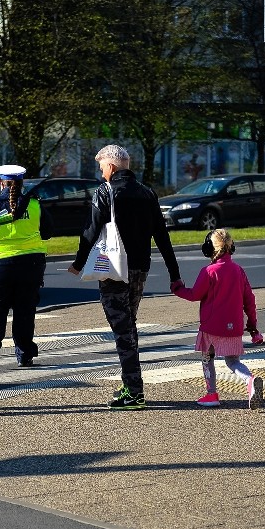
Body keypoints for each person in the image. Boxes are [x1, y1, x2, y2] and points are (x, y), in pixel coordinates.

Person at [68, 144, 182, 410]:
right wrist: (174, 273)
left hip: (113, 269)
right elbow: (162, 237)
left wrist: (78, 263)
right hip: (140, 268)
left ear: (111, 166)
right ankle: (130, 383)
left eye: (101, 168)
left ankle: (134, 391)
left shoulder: (105, 192)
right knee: (129, 324)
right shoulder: (147, 193)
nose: (101, 174)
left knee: (123, 329)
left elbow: (90, 231)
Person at [171, 228, 265, 410]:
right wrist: (253, 327)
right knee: (232, 361)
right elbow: (249, 300)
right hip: (234, 326)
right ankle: (250, 380)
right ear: (231, 247)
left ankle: (211, 394)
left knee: (207, 358)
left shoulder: (209, 271)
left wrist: (177, 288)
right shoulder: (239, 270)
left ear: (209, 248)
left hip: (211, 327)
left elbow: (194, 294)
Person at [0, 164, 53, 369]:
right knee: (25, 310)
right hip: (31, 264)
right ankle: (24, 355)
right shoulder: (34, 204)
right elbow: (47, 232)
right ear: (22, 183)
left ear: (1, 183)